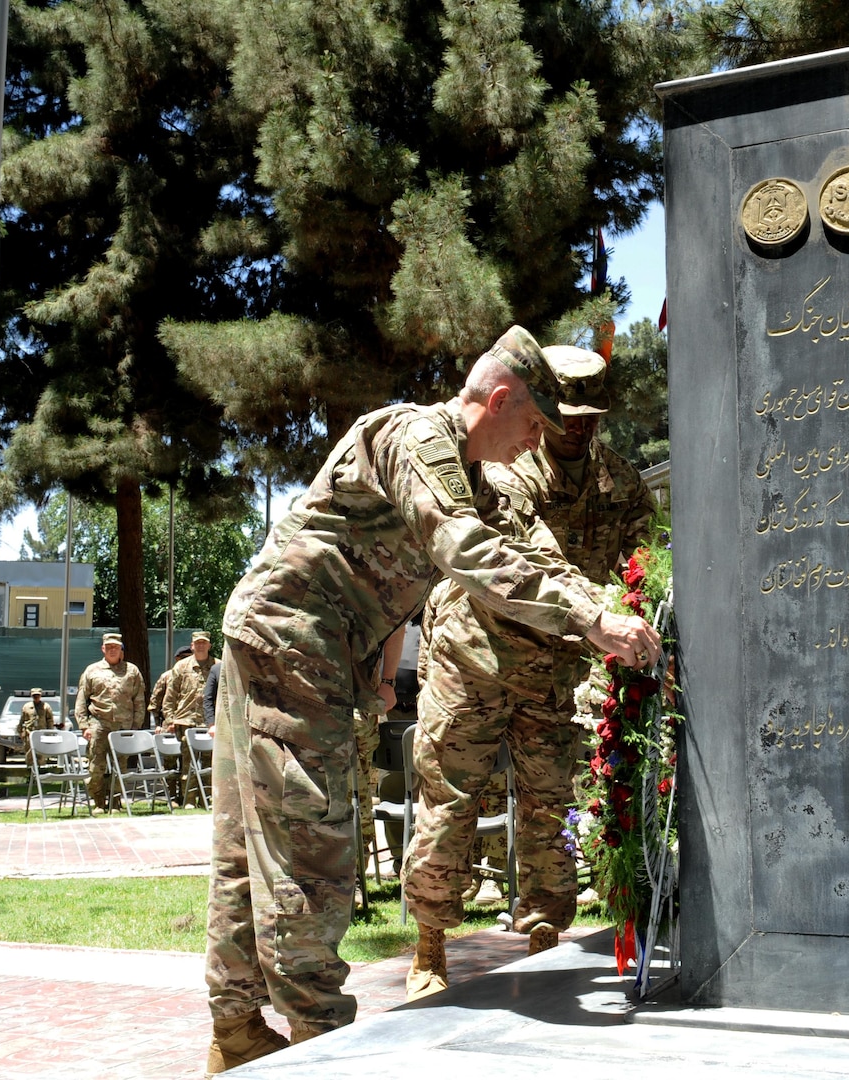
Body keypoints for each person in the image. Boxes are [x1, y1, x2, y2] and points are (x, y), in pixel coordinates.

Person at [203, 324, 661, 1074]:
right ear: (501, 398)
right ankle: (319, 1043)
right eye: (534, 424)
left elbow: (530, 549)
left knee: (244, 849)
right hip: (293, 641)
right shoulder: (414, 435)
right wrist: (586, 619)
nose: (535, 442)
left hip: (290, 644)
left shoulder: (475, 477)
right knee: (309, 844)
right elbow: (463, 548)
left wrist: (603, 606)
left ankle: (238, 1033)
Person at [404, 344, 656, 991]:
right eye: (564, 414)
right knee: (450, 801)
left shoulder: (619, 483)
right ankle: (430, 946)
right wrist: (597, 617)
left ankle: (545, 934)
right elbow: (523, 557)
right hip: (475, 655)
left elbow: (642, 569)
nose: (577, 427)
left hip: (556, 669)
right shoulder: (507, 467)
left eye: (589, 416)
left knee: (550, 808)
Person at [75, 632, 147, 813]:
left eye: (116, 647)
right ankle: (98, 802)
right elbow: (82, 700)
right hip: (99, 724)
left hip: (124, 727)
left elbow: (139, 699)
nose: (112, 650)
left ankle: (115, 802)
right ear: (103, 649)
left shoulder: (132, 671)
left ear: (121, 649)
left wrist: (136, 725)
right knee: (96, 767)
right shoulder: (92, 671)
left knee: (120, 766)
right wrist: (84, 726)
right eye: (108, 647)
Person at [161, 633, 216, 805]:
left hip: (210, 722)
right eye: (197, 643)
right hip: (186, 721)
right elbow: (170, 696)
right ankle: (189, 799)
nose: (200, 646)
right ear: (192, 646)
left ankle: (207, 798)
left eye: (204, 643)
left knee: (209, 763)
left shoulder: (218, 665)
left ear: (209, 646)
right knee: (188, 764)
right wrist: (170, 720)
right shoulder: (181, 667)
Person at [148, 645, 193, 730]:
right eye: (183, 657)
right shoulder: (167, 676)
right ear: (177, 659)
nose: (186, 660)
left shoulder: (196, 677)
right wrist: (158, 725)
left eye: (190, 657)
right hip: (170, 724)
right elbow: (155, 702)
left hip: (191, 722)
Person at [18, 688, 57, 755]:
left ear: (40, 696)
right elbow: (22, 720)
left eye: (38, 695)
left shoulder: (46, 707)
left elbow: (50, 720)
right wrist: (20, 731)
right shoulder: (26, 707)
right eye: (34, 695)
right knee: (29, 751)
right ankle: (30, 765)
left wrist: (50, 732)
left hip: (41, 732)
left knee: (40, 751)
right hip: (29, 733)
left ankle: (40, 765)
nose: (36, 697)